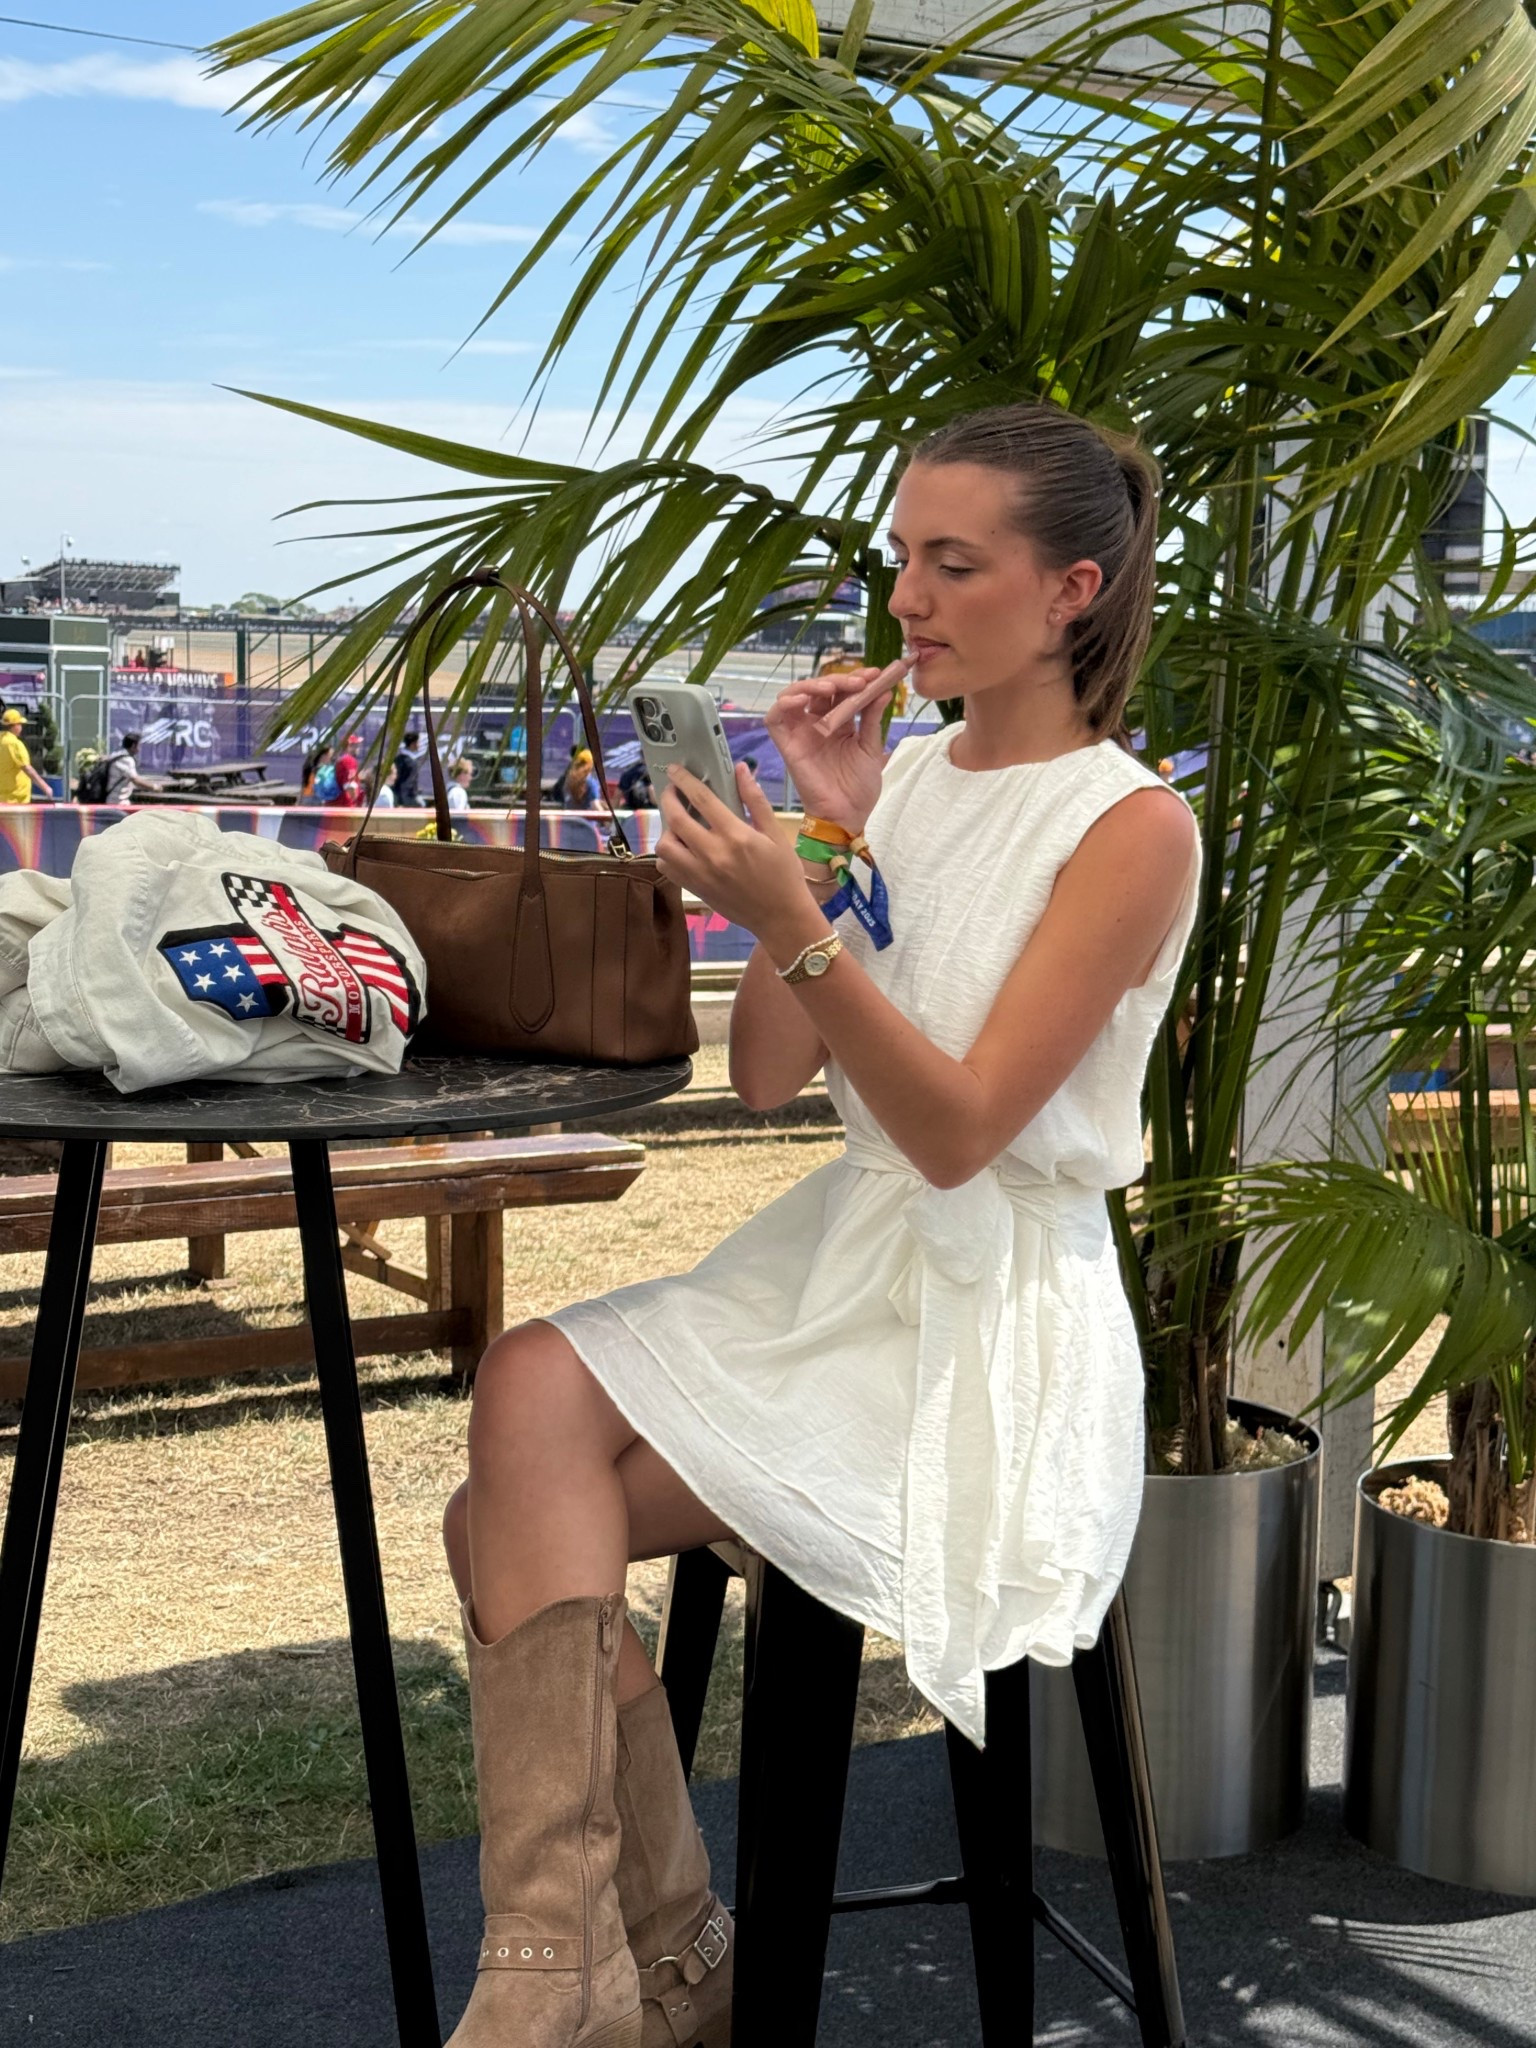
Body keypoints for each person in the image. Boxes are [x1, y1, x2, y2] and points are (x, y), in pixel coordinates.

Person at [435, 401, 1201, 2048]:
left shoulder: (1134, 826)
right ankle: (610, 1969)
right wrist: (836, 831)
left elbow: (957, 1129)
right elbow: (777, 1073)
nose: (909, 599)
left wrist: (790, 914)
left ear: (1071, 587)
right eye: (899, 558)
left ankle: (621, 1971)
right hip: (846, 1266)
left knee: (501, 1502)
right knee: (524, 1404)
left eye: (953, 561)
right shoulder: (909, 782)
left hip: (990, 1321)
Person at [0, 709, 54, 804]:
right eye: (20, 724)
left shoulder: (2, 740)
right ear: (15, 726)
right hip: (16, 798)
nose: (21, 727)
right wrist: (45, 787)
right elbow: (27, 768)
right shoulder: (14, 744)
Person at [105, 733, 156, 806]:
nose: (140, 748)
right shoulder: (126, 760)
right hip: (118, 802)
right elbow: (136, 780)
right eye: (139, 745)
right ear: (133, 746)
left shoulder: (117, 755)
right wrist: (154, 787)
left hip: (112, 800)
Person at [395, 729, 425, 807]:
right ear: (412, 744)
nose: (419, 745)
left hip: (397, 796)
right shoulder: (411, 763)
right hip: (408, 799)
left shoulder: (398, 759)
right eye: (418, 742)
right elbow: (408, 783)